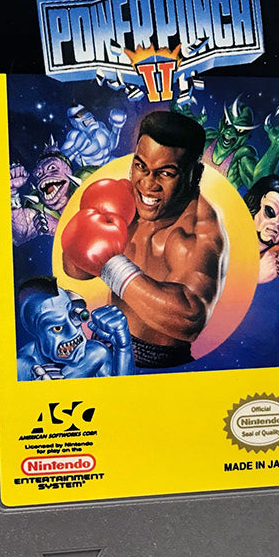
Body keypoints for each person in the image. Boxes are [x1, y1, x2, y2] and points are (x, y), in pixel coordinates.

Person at [62, 110, 228, 369]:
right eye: (141, 166)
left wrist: (111, 265)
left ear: (194, 175)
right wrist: (88, 235)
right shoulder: (125, 197)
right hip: (102, 347)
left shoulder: (198, 230)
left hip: (160, 366)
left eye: (166, 173)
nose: (148, 184)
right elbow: (75, 269)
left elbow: (189, 319)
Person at [244, 175, 279, 302]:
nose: (276, 224)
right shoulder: (227, 240)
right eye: (269, 212)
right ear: (254, 207)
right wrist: (254, 276)